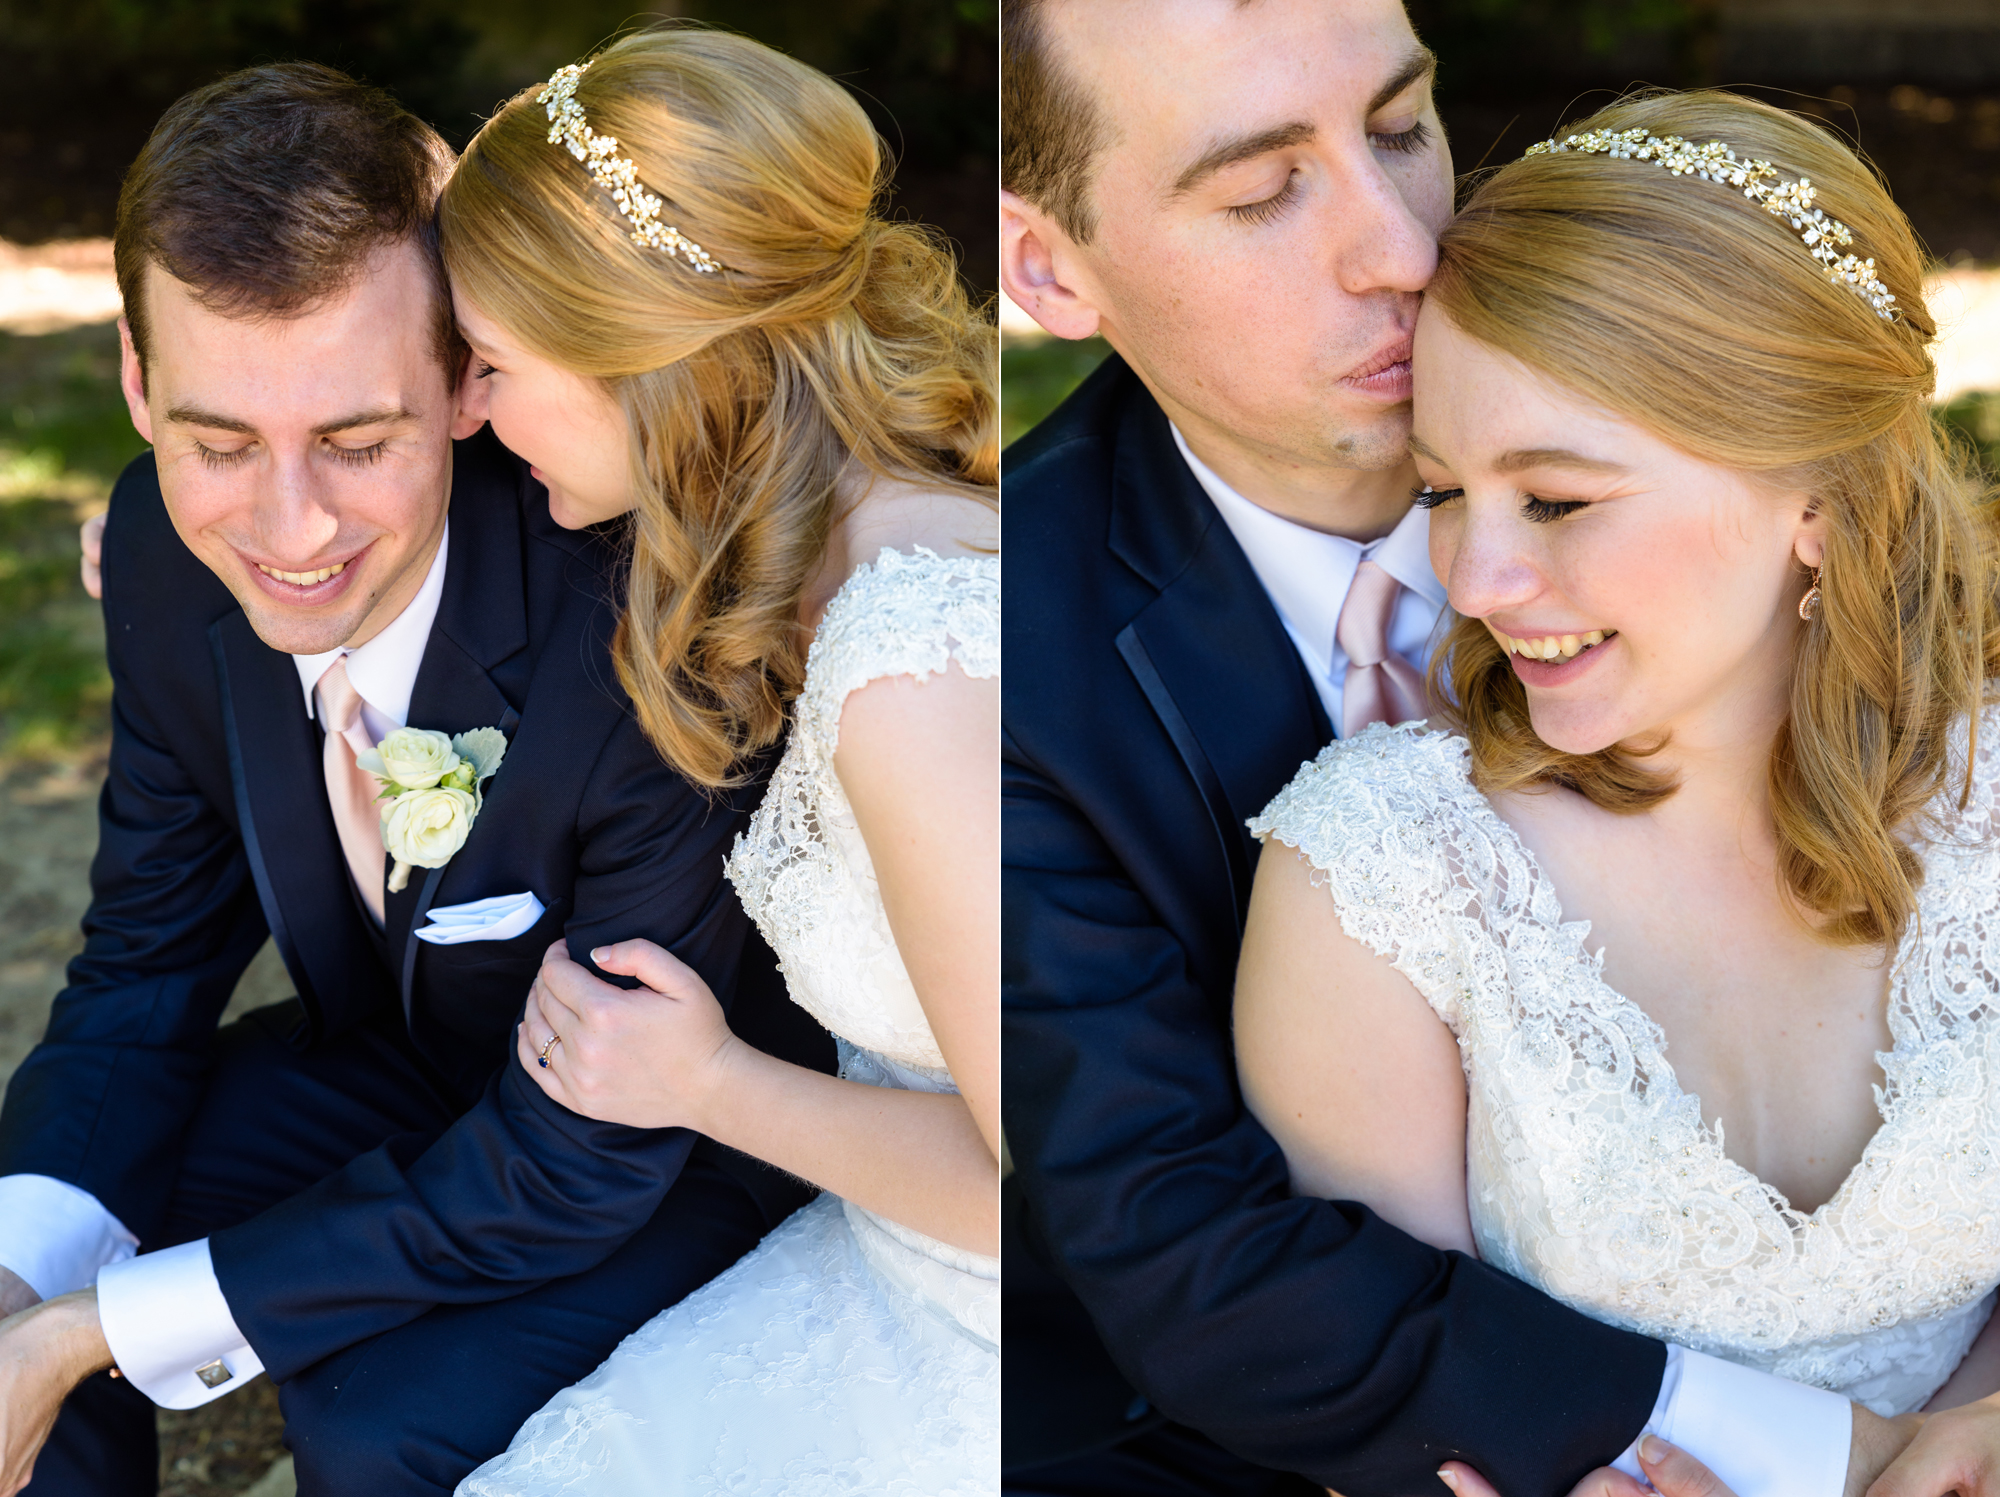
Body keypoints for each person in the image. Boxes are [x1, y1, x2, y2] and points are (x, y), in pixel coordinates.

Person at [999, 2, 1917, 1494]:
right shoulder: (1001, 654)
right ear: (1045, 265)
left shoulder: (1761, 520)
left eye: (1403, 128)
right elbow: (1191, 1252)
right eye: (1260, 192)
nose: (1407, 251)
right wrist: (1845, 1458)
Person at [1, 62, 825, 1497]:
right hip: (407, 1068)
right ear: (135, 382)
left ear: (464, 383)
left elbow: (578, 1160)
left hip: (674, 1142)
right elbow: (141, 971)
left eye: (355, 439)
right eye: (215, 440)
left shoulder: (635, 622)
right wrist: (36, 1305)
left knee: (379, 1421)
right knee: (22, 1242)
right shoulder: (156, 551)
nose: (288, 526)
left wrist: (100, 1331)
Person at [1238, 84, 2000, 1496]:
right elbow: (1386, 1418)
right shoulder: (1384, 877)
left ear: (1817, 498)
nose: (1472, 580)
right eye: (1447, 489)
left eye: (1560, 497)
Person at [419, 29, 999, 1494]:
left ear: (645, 362)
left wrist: (708, 1080)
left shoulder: (906, 669)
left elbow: (1074, 1194)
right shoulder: (831, 553)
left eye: (487, 362)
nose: (470, 411)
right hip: (895, 1262)